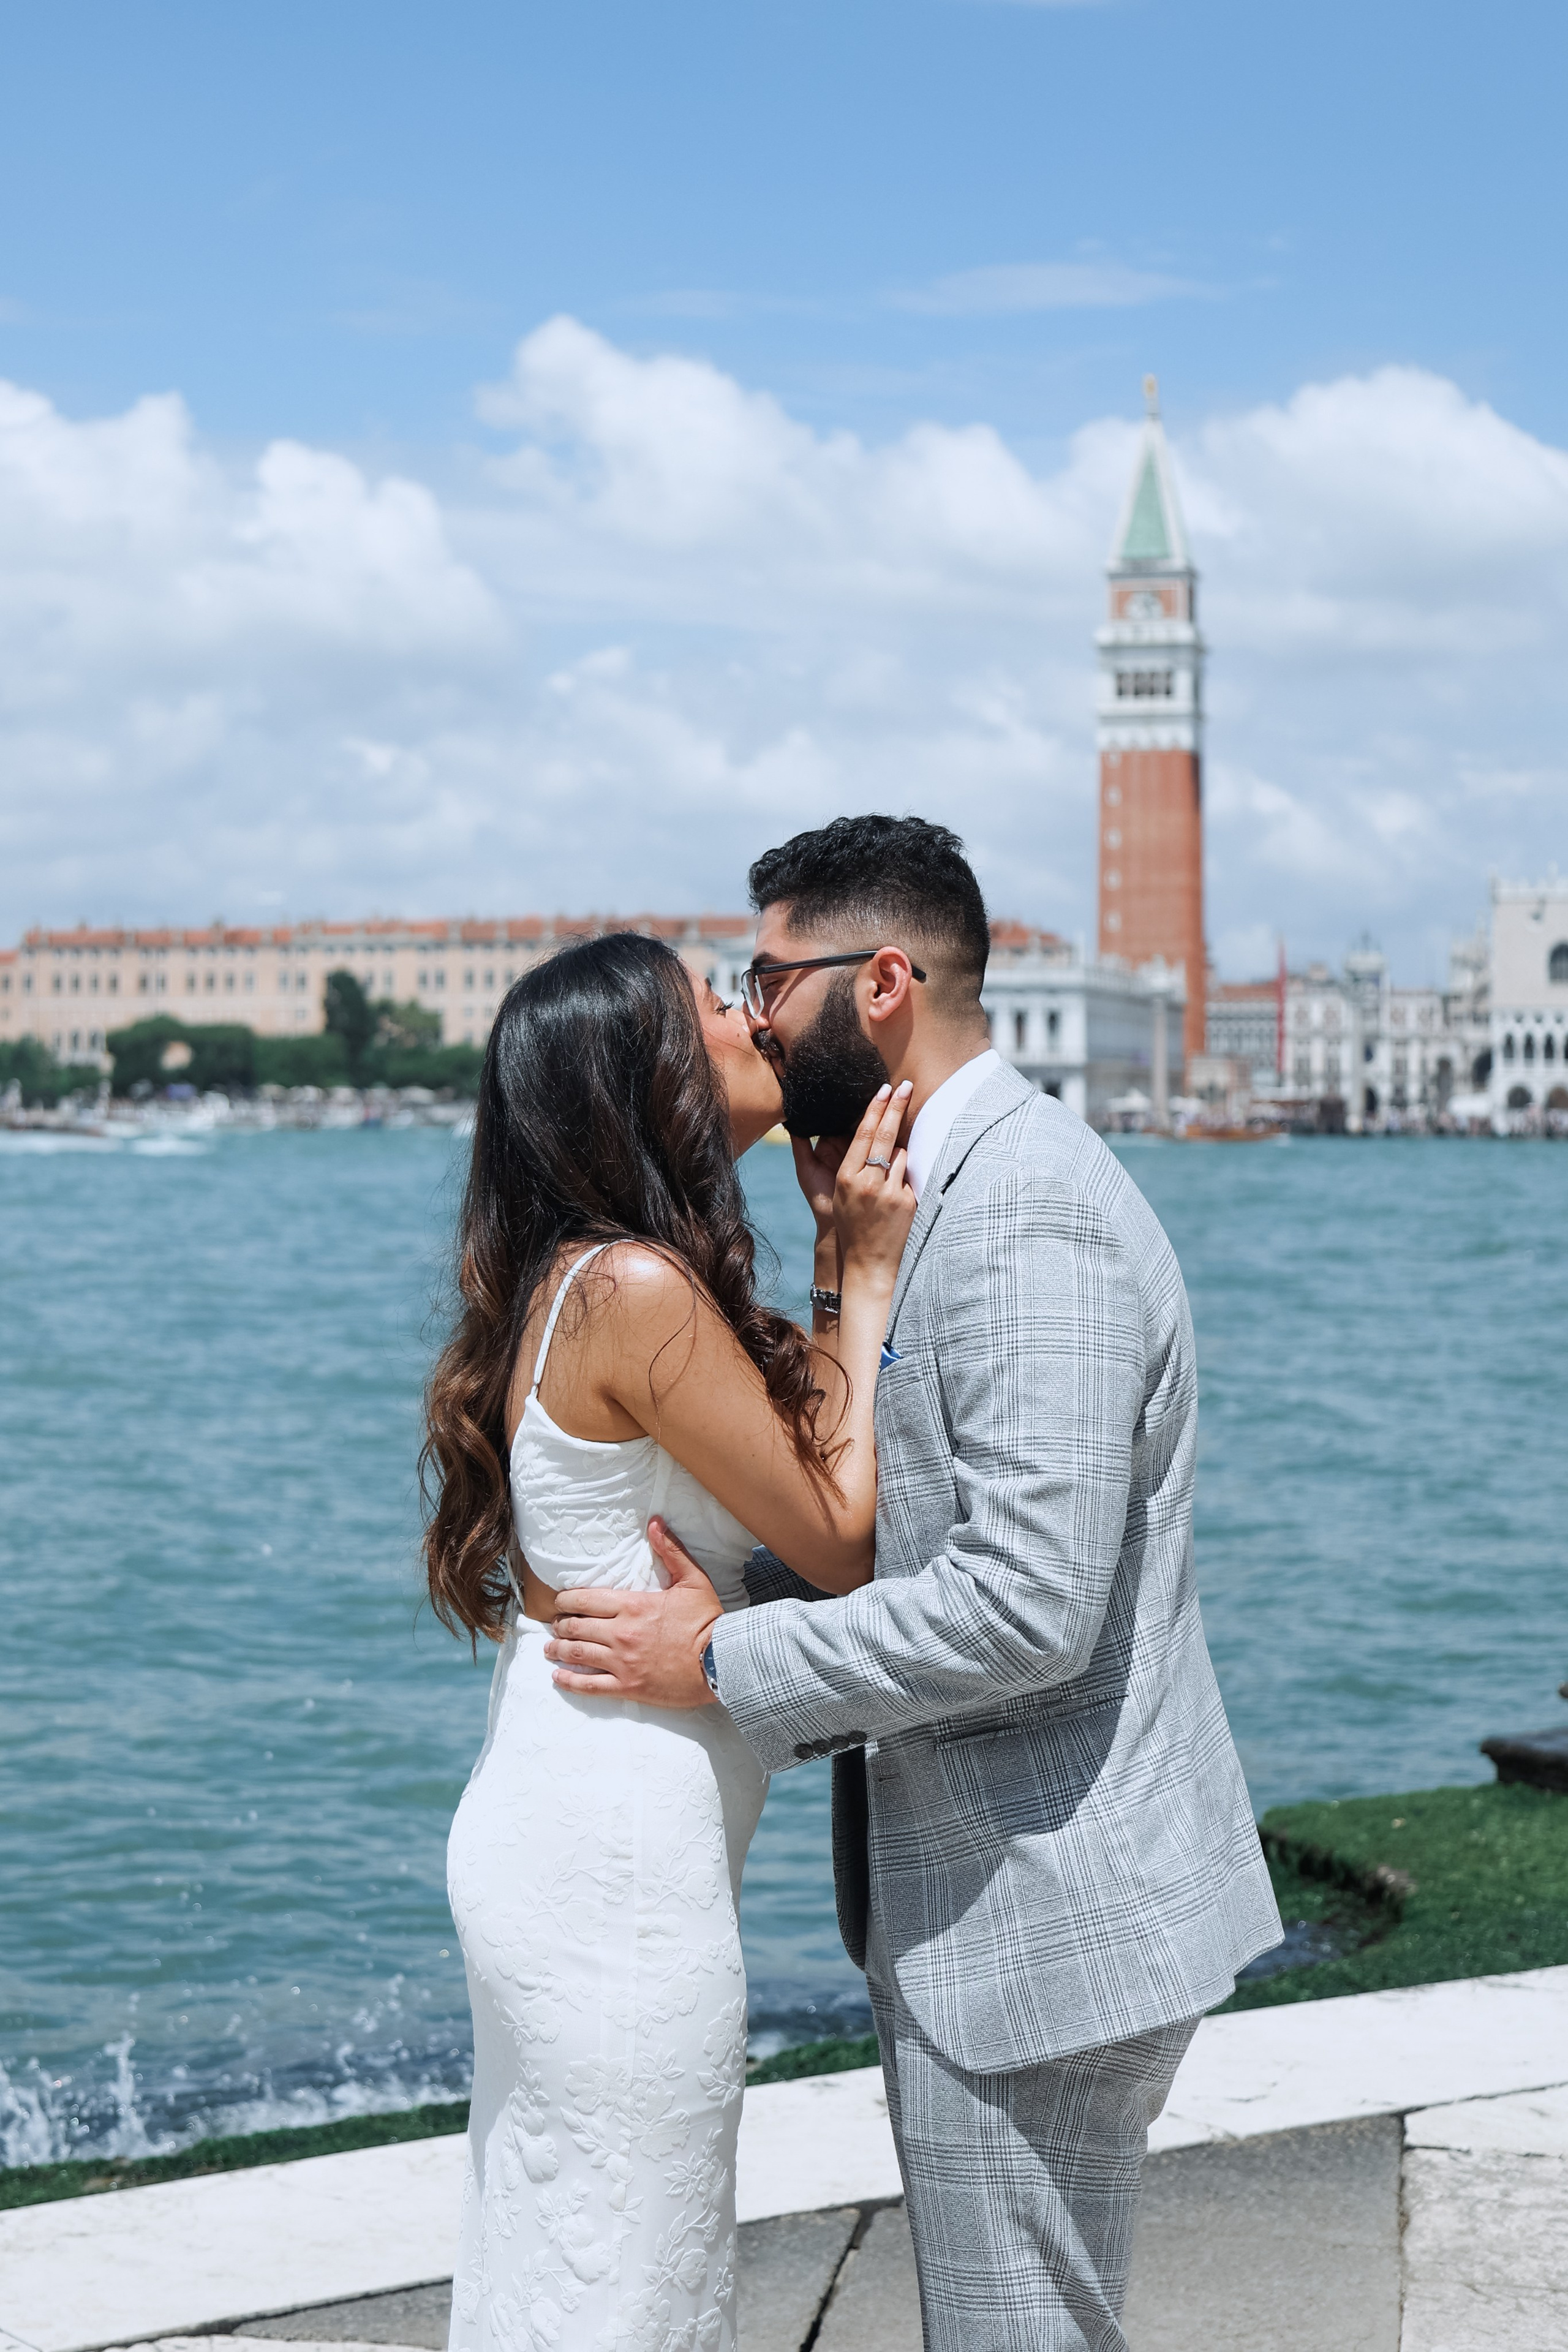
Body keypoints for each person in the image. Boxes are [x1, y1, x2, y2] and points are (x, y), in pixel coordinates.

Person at [546, 815, 1284, 2352]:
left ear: (878, 982)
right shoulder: (932, 1191)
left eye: (764, 977)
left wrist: (722, 1663)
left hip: (1043, 1917)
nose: (746, 1016)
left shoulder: (1021, 1211)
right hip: (996, 1893)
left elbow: (1025, 1603)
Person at [421, 928, 917, 2352]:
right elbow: (837, 1536)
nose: (750, 1019)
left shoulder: (587, 1278)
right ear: (643, 1075)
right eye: (709, 1002)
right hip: (614, 1874)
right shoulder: (635, 1290)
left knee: (555, 2250)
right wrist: (856, 1267)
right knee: (630, 2278)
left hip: (562, 1825)